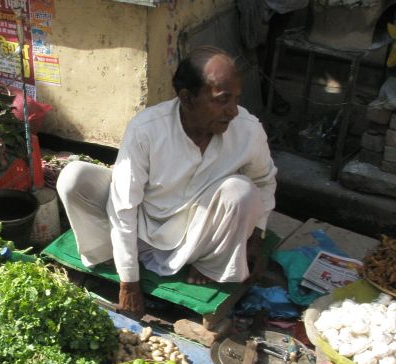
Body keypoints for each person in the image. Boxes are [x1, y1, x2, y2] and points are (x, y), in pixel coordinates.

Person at [57, 46, 277, 318]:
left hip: (202, 231)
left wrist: (255, 238)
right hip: (145, 225)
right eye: (222, 100)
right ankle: (111, 257)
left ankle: (209, 264)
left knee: (242, 192)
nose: (233, 111)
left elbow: (264, 181)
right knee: (73, 177)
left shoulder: (247, 129)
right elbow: (124, 206)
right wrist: (129, 282)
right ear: (187, 98)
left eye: (236, 99)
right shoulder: (147, 129)